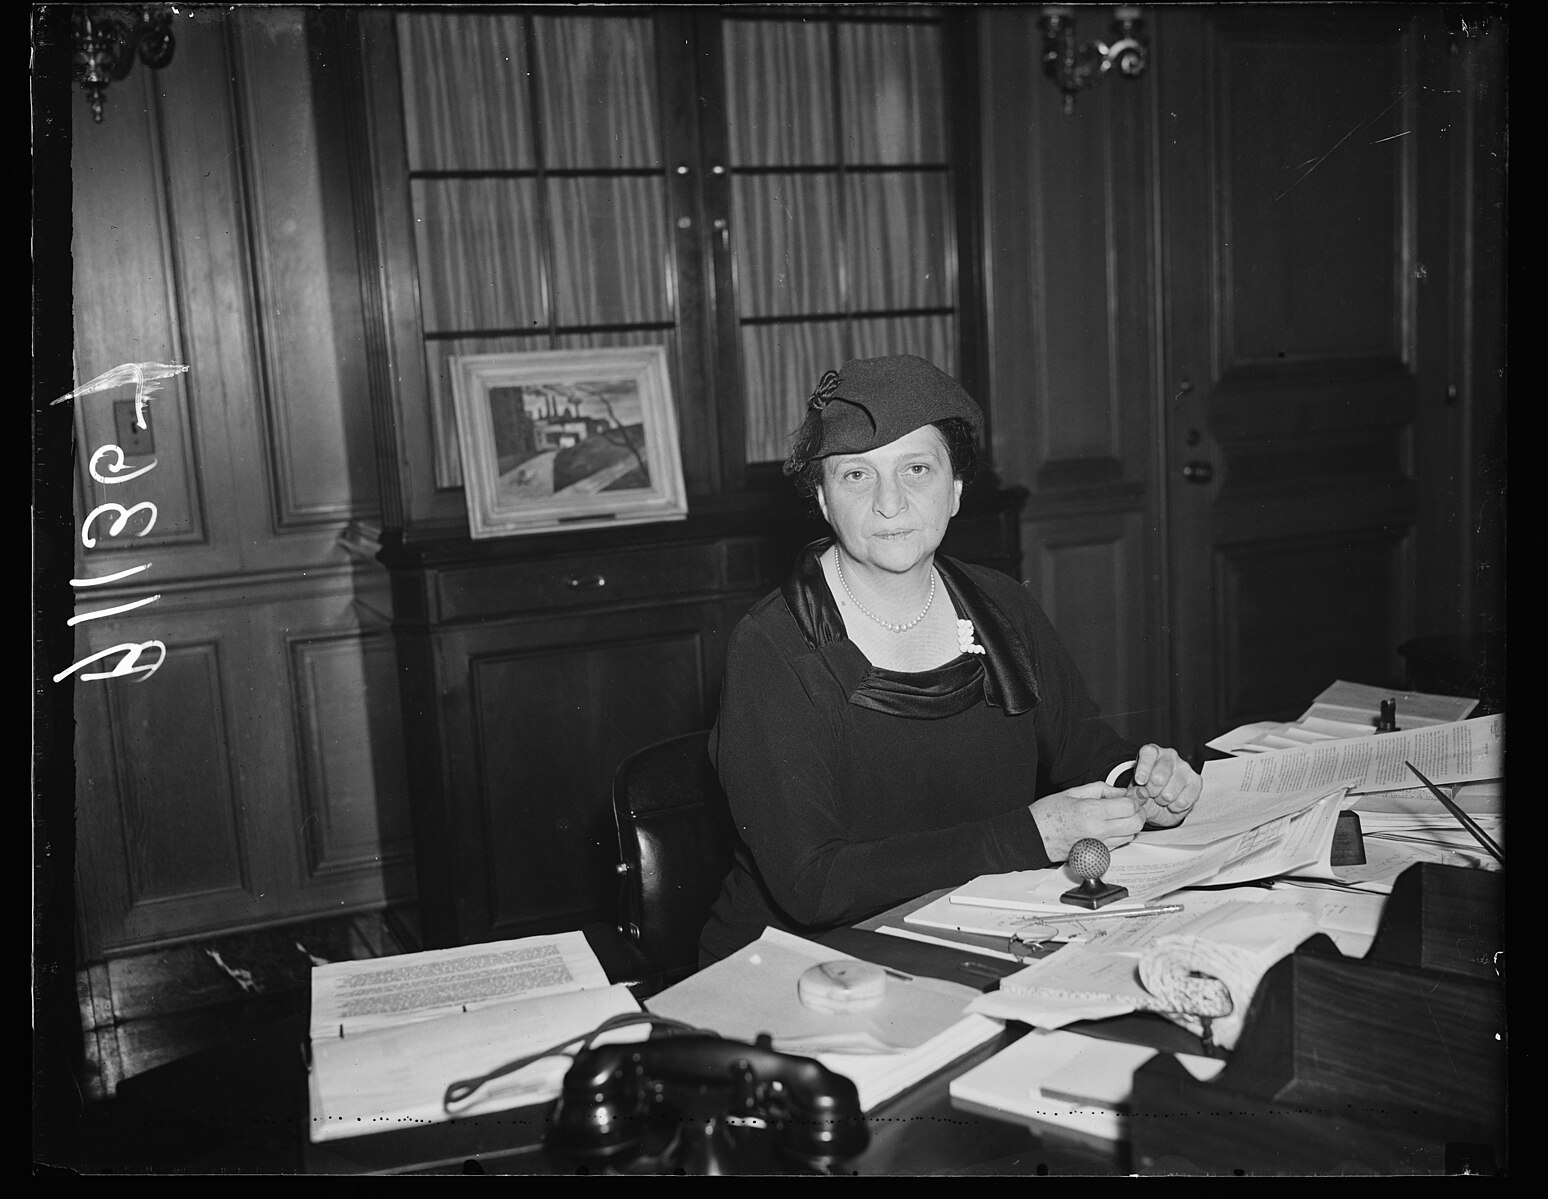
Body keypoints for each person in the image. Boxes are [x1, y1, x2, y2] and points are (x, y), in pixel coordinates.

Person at [699, 354, 1201, 964]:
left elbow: (1087, 750)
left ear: (956, 489)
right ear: (825, 501)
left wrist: (1142, 786)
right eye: (857, 476)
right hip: (804, 963)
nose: (890, 504)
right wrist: (1027, 837)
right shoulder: (773, 646)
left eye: (916, 469)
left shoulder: (1001, 606)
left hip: (974, 931)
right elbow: (814, 885)